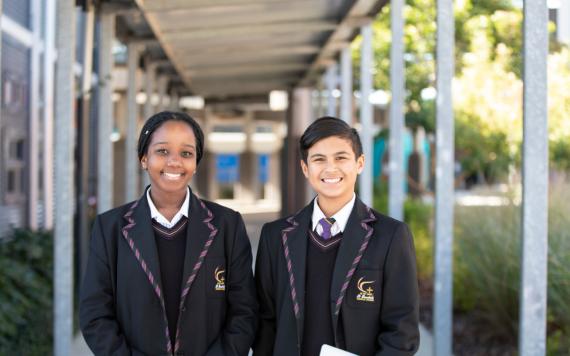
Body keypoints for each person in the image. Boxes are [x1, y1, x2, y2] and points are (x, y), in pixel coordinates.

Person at [80, 111, 257, 356]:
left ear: (196, 163)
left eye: (186, 153)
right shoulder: (110, 228)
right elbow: (95, 313)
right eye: (162, 151)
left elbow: (244, 311)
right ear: (144, 158)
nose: (174, 162)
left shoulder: (227, 226)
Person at [253, 117, 419, 356]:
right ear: (305, 168)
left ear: (359, 163)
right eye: (319, 159)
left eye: (340, 158)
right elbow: (265, 323)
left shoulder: (391, 236)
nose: (330, 168)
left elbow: (402, 331)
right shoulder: (275, 237)